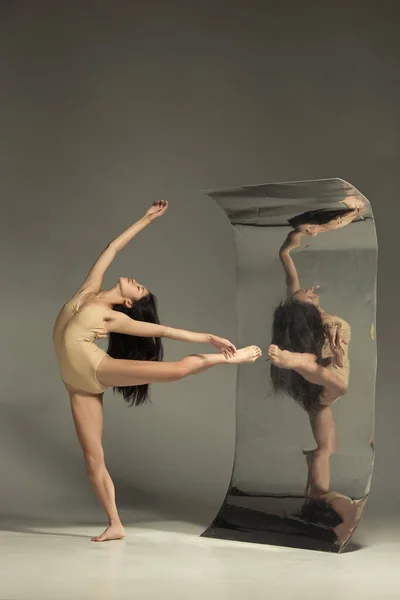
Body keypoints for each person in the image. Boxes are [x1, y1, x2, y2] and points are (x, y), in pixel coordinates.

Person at [53, 200, 262, 542]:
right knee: (93, 459)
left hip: (95, 369)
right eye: (139, 283)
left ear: (129, 304)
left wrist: (208, 338)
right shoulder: (88, 290)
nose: (136, 282)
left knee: (177, 370)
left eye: (139, 289)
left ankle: (229, 360)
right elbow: (112, 247)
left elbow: (162, 332)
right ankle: (115, 524)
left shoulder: (115, 317)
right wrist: (145, 220)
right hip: (75, 386)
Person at [267, 229, 351, 498]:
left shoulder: (301, 311)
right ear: (307, 314)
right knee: (338, 385)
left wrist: (286, 251)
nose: (307, 290)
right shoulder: (318, 325)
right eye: (306, 296)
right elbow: (318, 358)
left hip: (311, 390)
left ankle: (316, 495)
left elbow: (292, 280)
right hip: (323, 378)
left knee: (327, 447)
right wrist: (299, 359)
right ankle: (300, 362)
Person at [287, 195, 367, 237]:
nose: (309, 231)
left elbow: (355, 212)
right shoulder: (323, 226)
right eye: (304, 230)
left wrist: (356, 210)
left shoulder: (329, 223)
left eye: (310, 228)